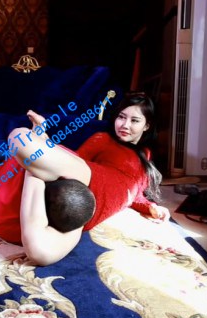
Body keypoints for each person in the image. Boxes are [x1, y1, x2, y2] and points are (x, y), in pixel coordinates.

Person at [9, 91, 170, 228]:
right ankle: (40, 136)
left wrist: (151, 207)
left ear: (147, 126)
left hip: (93, 207)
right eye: (121, 117)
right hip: (86, 189)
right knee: (31, 153)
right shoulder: (103, 139)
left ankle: (40, 138)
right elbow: (74, 162)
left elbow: (133, 190)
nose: (125, 125)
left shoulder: (145, 154)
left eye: (134, 120)